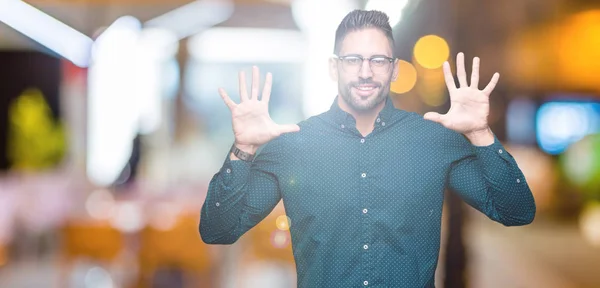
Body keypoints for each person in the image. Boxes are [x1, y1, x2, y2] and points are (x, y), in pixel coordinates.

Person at [199, 9, 536, 288]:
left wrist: (480, 133)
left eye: (377, 60)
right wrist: (242, 149)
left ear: (392, 69)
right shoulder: (292, 145)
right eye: (352, 59)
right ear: (334, 67)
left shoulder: (434, 140)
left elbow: (516, 211)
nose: (365, 72)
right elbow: (218, 230)